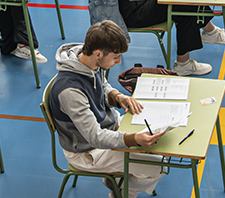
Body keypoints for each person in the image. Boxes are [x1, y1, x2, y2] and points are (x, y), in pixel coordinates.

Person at [48, 21, 166, 197]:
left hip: (106, 125)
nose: (118, 62)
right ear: (98, 54)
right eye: (115, 57)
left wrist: (118, 97)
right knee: (159, 165)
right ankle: (121, 193)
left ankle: (117, 180)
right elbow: (95, 137)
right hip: (87, 151)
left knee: (157, 133)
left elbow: (101, 84)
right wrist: (133, 139)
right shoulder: (69, 91)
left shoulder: (88, 59)